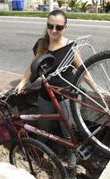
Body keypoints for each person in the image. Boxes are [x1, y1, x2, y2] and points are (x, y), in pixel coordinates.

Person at [14, 9, 80, 178]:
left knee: (69, 133)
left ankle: (72, 166)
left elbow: (82, 70)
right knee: (44, 129)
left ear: (66, 27)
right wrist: (23, 81)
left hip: (65, 96)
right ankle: (40, 155)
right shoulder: (41, 44)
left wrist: (96, 88)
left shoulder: (71, 46)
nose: (54, 30)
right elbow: (32, 66)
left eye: (59, 27)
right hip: (46, 95)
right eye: (50, 26)